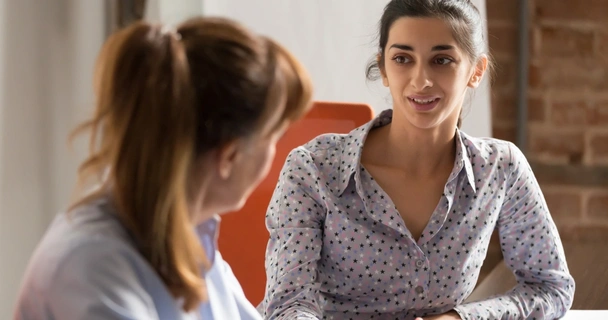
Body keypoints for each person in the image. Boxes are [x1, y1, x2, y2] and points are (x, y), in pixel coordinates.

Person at [261, 0, 574, 319]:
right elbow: (288, 303)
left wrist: (459, 319)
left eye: (442, 60)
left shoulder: (500, 168)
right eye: (402, 59)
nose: (421, 79)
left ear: (476, 71)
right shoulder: (313, 168)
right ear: (383, 68)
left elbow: (550, 287)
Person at [14, 16, 312, 320]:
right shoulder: (91, 268)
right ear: (230, 156)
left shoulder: (193, 243)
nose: (276, 155)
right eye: (275, 137)